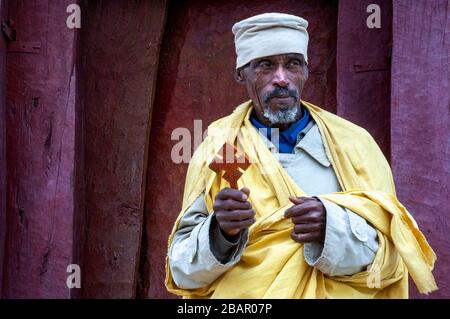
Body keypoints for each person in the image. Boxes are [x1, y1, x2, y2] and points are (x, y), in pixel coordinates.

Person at [165, 13, 437, 298]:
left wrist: (332, 228)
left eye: (293, 63)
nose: (281, 79)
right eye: (265, 65)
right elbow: (182, 271)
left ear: (306, 71)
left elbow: (391, 259)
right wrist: (219, 235)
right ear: (240, 74)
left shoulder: (354, 144)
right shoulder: (220, 146)